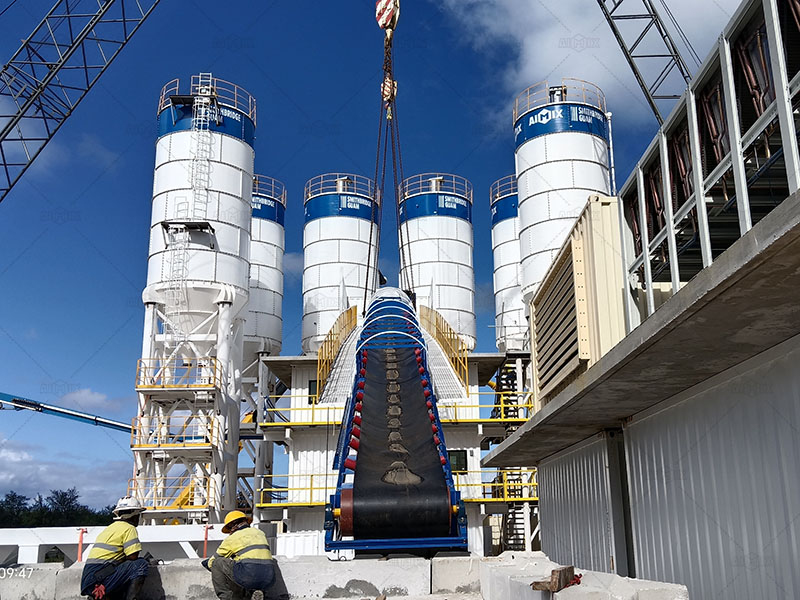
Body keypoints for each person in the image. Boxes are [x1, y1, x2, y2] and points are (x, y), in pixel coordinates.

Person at [80, 496, 149, 600]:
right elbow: (133, 557)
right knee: (140, 564)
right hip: (99, 579)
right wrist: (104, 583)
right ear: (135, 516)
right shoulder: (129, 528)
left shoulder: (110, 528)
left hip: (88, 580)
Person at [203, 510, 275, 600]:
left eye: (229, 529)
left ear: (232, 526)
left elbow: (213, 561)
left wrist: (207, 563)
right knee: (243, 563)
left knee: (217, 563)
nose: (229, 532)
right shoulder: (260, 533)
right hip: (269, 578)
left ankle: (226, 598)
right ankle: (253, 593)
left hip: (248, 575)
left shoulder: (233, 538)